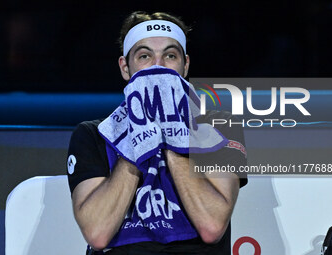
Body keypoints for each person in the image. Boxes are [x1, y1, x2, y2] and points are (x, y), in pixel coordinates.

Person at [67, 11, 247, 255]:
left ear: (185, 66)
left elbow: (212, 226)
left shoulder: (222, 128)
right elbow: (98, 233)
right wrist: (140, 135)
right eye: (144, 56)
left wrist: (172, 132)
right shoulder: (93, 134)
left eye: (170, 56)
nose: (158, 67)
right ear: (125, 68)